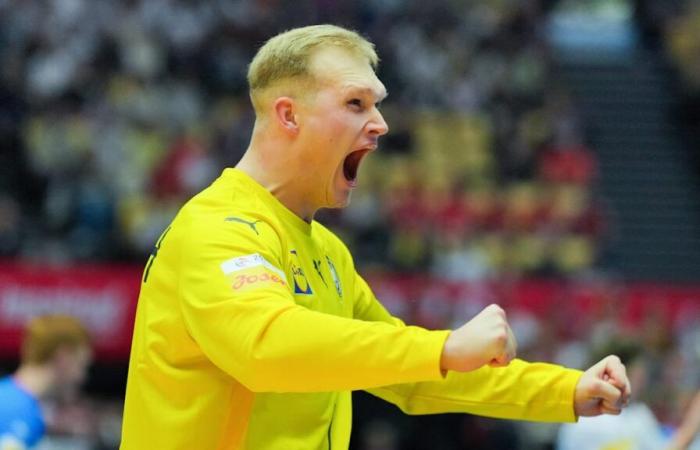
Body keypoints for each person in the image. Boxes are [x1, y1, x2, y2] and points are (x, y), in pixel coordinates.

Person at [120, 24, 631, 450]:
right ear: (289, 114)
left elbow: (406, 371)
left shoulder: (328, 253)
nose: (381, 124)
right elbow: (266, 346)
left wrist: (567, 389)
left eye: (377, 104)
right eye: (356, 103)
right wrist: (446, 347)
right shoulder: (217, 227)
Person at [0, 315, 92, 450]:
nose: (82, 377)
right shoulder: (20, 411)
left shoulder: (11, 398)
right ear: (63, 357)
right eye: (82, 366)